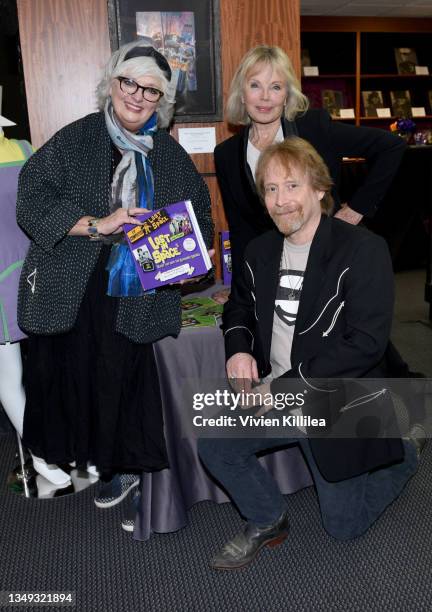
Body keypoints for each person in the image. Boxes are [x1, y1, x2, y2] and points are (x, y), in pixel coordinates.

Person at [198, 137, 422, 570]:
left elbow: (364, 343)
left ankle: (405, 451)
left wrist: (283, 388)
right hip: (278, 394)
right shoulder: (260, 250)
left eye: (292, 186)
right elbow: (238, 306)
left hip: (337, 400)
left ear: (319, 188)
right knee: (215, 444)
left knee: (344, 527)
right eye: (271, 189)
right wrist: (238, 348)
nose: (281, 201)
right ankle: (268, 519)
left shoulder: (363, 250)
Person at [16, 41, 213, 528]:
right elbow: (31, 198)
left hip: (136, 295)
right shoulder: (74, 139)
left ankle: (124, 467)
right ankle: (91, 459)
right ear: (111, 82)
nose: (138, 96)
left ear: (162, 102)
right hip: (72, 287)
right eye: (130, 82)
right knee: (73, 374)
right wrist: (98, 224)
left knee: (122, 378)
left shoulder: (169, 156)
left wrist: (184, 254)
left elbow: (200, 225)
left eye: (151, 90)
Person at [214, 45, 406, 282]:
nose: (265, 96)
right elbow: (241, 232)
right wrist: (241, 295)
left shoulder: (315, 129)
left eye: (275, 87)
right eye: (255, 85)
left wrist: (356, 209)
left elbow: (391, 146)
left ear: (287, 95)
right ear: (242, 94)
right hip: (274, 275)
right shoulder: (226, 154)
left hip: (331, 265)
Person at [0, 112, 73, 489]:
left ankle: (58, 442)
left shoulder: (26, 149)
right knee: (8, 376)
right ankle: (40, 454)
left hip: (34, 272)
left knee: (51, 366)